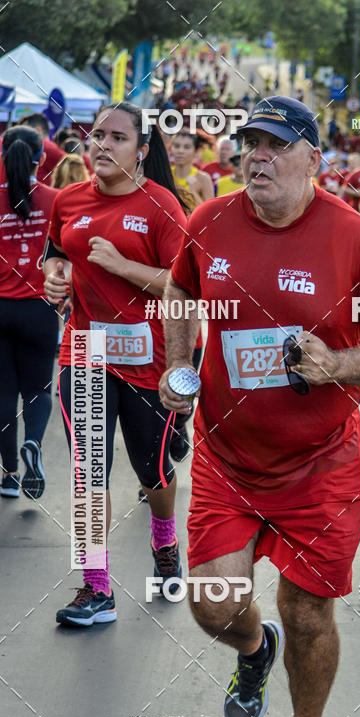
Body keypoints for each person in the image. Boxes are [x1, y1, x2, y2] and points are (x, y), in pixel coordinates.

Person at [159, 96, 360, 717]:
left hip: (321, 465)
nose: (257, 155)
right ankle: (253, 653)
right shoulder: (209, 220)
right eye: (250, 142)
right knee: (214, 603)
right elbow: (180, 291)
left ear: (314, 159)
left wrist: (337, 365)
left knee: (307, 612)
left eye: (276, 145)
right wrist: (179, 367)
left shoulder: (354, 237)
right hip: (229, 458)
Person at [43, 101, 188, 627]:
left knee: (150, 470)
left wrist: (122, 265)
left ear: (142, 151)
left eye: (117, 137)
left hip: (146, 358)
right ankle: (96, 585)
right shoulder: (68, 199)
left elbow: (185, 289)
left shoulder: (164, 206)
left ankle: (165, 542)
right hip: (84, 351)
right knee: (88, 474)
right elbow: (56, 251)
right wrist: (56, 275)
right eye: (96, 134)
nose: (100, 144)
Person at [0, 126, 59, 499]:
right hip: (39, 308)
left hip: (0, 307)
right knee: (37, 389)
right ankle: (34, 442)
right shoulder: (56, 200)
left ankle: (9, 476)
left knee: (3, 393)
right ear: (42, 158)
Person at [170, 131, 214, 208]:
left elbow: (210, 213)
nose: (180, 151)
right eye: (177, 146)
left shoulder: (203, 178)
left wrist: (193, 192)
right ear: (171, 149)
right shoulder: (166, 174)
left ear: (196, 152)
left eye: (187, 147)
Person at [18, 113, 65, 185]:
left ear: (38, 129)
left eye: (25, 131)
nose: (21, 135)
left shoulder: (45, 146)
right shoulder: (47, 147)